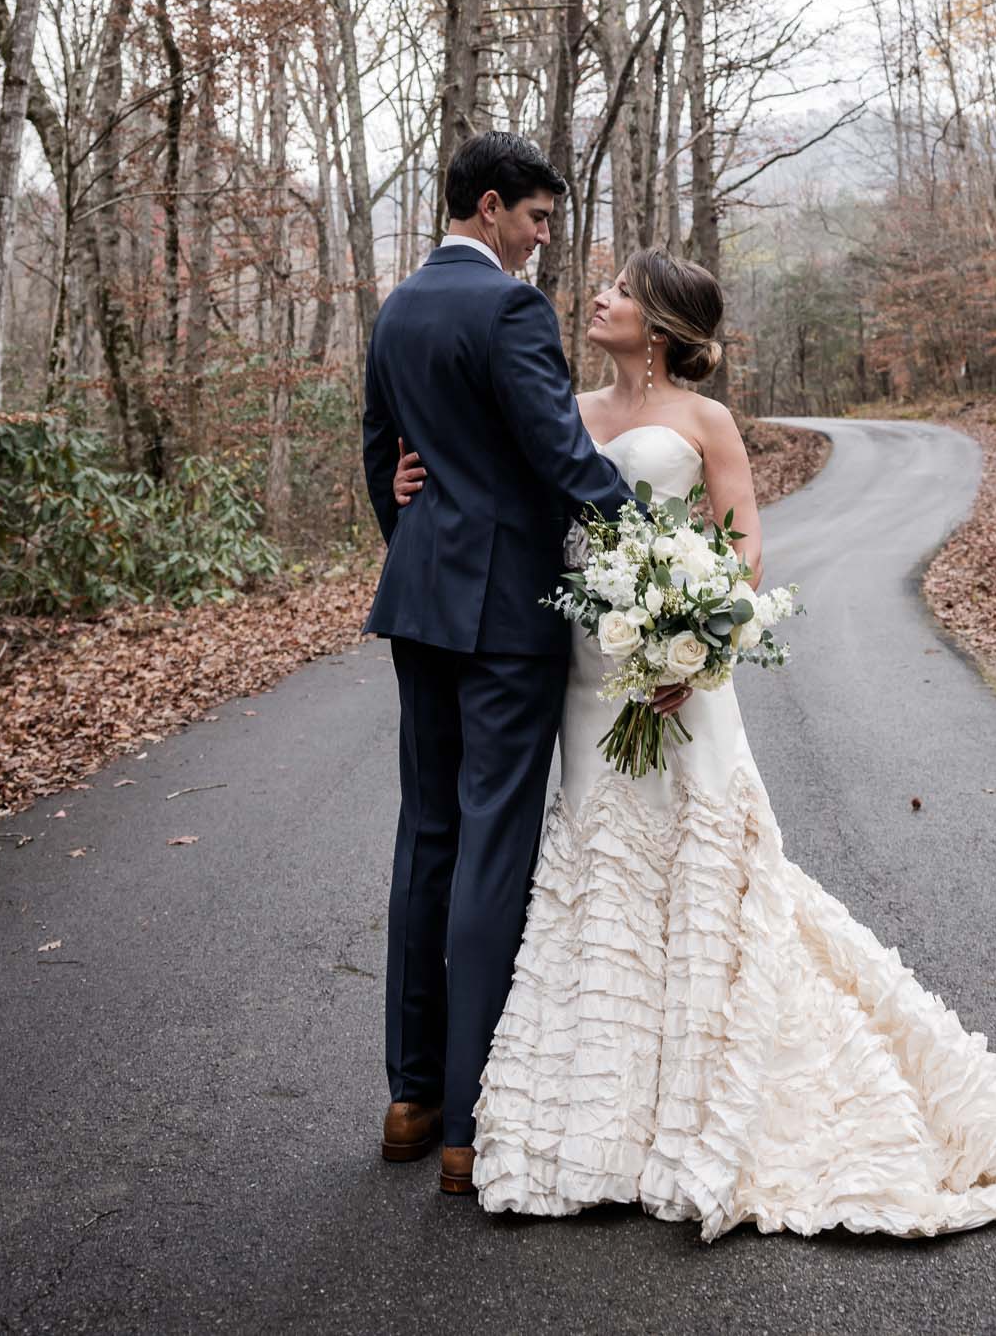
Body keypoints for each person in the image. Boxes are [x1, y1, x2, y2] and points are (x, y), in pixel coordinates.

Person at [390, 244, 996, 1239]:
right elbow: (497, 484)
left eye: (616, 290)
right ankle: (603, 1092)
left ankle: (710, 1082)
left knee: (698, 849)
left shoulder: (704, 421)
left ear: (654, 324)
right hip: (583, 664)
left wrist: (689, 642)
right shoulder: (560, 406)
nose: (596, 297)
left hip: (675, 672)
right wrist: (413, 481)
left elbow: (741, 551)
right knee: (596, 849)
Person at [362, 129, 657, 1196]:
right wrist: (658, 550)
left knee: (426, 834)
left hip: (421, 603)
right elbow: (559, 452)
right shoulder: (507, 308)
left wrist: (420, 542)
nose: (542, 242)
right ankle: (470, 1114)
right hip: (501, 616)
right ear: (489, 207)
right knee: (492, 839)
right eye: (535, 219)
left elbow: (378, 457)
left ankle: (408, 1096)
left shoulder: (396, 307)